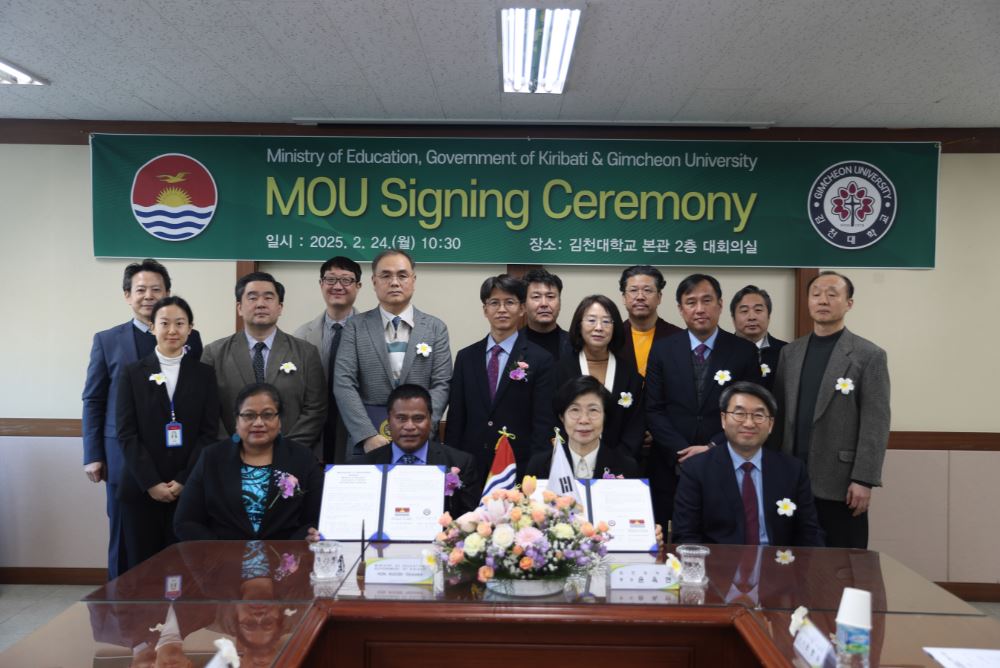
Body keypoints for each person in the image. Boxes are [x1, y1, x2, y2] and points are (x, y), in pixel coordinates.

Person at [82, 258, 203, 579]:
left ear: (167, 293)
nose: (148, 296)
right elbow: (94, 399)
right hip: (123, 456)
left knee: (176, 542)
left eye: (156, 289)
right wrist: (93, 454)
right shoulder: (107, 340)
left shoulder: (190, 339)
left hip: (177, 458)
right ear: (127, 295)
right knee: (127, 541)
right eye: (140, 290)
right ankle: (122, 605)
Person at [772, 271, 890, 549]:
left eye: (832, 294)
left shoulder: (868, 355)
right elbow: (778, 417)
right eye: (816, 294)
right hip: (792, 479)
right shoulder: (790, 353)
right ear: (808, 301)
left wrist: (864, 479)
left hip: (841, 483)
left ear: (849, 303)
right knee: (790, 560)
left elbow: (876, 423)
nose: (823, 300)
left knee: (842, 563)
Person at [644, 273, 762, 526]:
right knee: (674, 534)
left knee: (722, 534)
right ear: (680, 309)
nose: (699, 309)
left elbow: (751, 411)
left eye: (707, 300)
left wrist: (712, 447)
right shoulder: (662, 349)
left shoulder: (743, 351)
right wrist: (682, 452)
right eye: (691, 302)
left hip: (726, 461)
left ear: (720, 304)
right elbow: (653, 409)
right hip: (670, 464)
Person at [115, 297, 220, 571]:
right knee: (142, 568)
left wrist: (185, 480)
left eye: (180, 323)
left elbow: (208, 434)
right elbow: (126, 433)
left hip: (189, 488)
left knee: (185, 567)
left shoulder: (205, 374)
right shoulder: (132, 374)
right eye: (164, 323)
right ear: (152, 327)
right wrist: (151, 482)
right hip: (141, 488)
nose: (172, 330)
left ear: (190, 328)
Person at [672, 381, 824, 546]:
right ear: (723, 419)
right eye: (739, 413)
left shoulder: (792, 470)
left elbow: (810, 533)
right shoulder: (697, 469)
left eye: (758, 415)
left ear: (770, 424)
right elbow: (685, 535)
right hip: (719, 560)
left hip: (777, 560)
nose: (749, 423)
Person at [334, 249, 452, 457]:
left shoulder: (435, 328)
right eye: (386, 275)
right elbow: (344, 383)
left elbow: (442, 384)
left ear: (413, 280)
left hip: (421, 443)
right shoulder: (355, 327)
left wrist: (422, 428)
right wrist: (367, 434)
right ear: (374, 281)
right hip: (368, 443)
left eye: (402, 275)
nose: (395, 282)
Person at [174, 383, 323, 541]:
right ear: (237, 422)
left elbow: (318, 517)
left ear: (279, 421)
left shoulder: (302, 458)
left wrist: (295, 545)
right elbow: (185, 522)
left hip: (285, 553)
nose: (258, 423)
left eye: (267, 415)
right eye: (249, 415)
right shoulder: (211, 457)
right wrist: (220, 551)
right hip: (224, 553)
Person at [202, 271, 327, 455]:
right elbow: (208, 411)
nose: (260, 304)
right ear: (239, 307)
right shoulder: (214, 353)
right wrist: (233, 449)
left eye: (268, 297)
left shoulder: (306, 353)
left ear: (280, 307)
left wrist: (286, 451)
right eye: (252, 298)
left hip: (292, 457)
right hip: (231, 457)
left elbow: (316, 409)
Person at [446, 274, 554, 481]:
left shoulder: (540, 359)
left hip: (518, 466)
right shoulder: (466, 357)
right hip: (471, 466)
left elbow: (542, 424)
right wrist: (454, 465)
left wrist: (534, 472)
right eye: (494, 302)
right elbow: (456, 419)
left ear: (522, 309)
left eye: (509, 302)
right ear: (485, 310)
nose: (502, 309)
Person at [353, 384, 480, 517]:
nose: (409, 426)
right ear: (389, 421)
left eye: (418, 418)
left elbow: (471, 521)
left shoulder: (461, 463)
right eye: (401, 418)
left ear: (430, 420)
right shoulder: (362, 467)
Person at [554, 295, 645, 458]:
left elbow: (635, 428)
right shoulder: (560, 370)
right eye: (591, 320)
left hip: (619, 464)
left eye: (606, 321)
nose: (599, 327)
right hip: (568, 462)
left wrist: (617, 462)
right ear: (579, 325)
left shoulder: (630, 374)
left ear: (615, 328)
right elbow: (553, 420)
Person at [293, 256, 362, 464]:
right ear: (321, 284)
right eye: (330, 279)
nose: (338, 286)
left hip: (356, 429)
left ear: (358, 286)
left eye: (346, 280)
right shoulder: (301, 335)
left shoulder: (372, 332)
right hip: (315, 430)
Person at [526, 376, 639, 479]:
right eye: (575, 410)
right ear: (562, 417)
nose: (584, 420)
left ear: (605, 416)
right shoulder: (539, 465)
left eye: (593, 410)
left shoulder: (627, 467)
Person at [618, 265, 681, 377]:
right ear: (624, 298)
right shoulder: (613, 337)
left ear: (659, 297)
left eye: (647, 290)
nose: (640, 297)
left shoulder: (678, 337)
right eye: (633, 290)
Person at [731, 285, 787, 390]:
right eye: (744, 311)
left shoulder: (786, 351)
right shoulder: (721, 350)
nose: (752, 317)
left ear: (769, 316)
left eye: (758, 310)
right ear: (733, 318)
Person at [522, 268, 572, 361]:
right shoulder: (512, 343)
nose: (544, 304)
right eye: (536, 297)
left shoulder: (574, 344)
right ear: (524, 305)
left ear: (560, 303)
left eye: (550, 296)